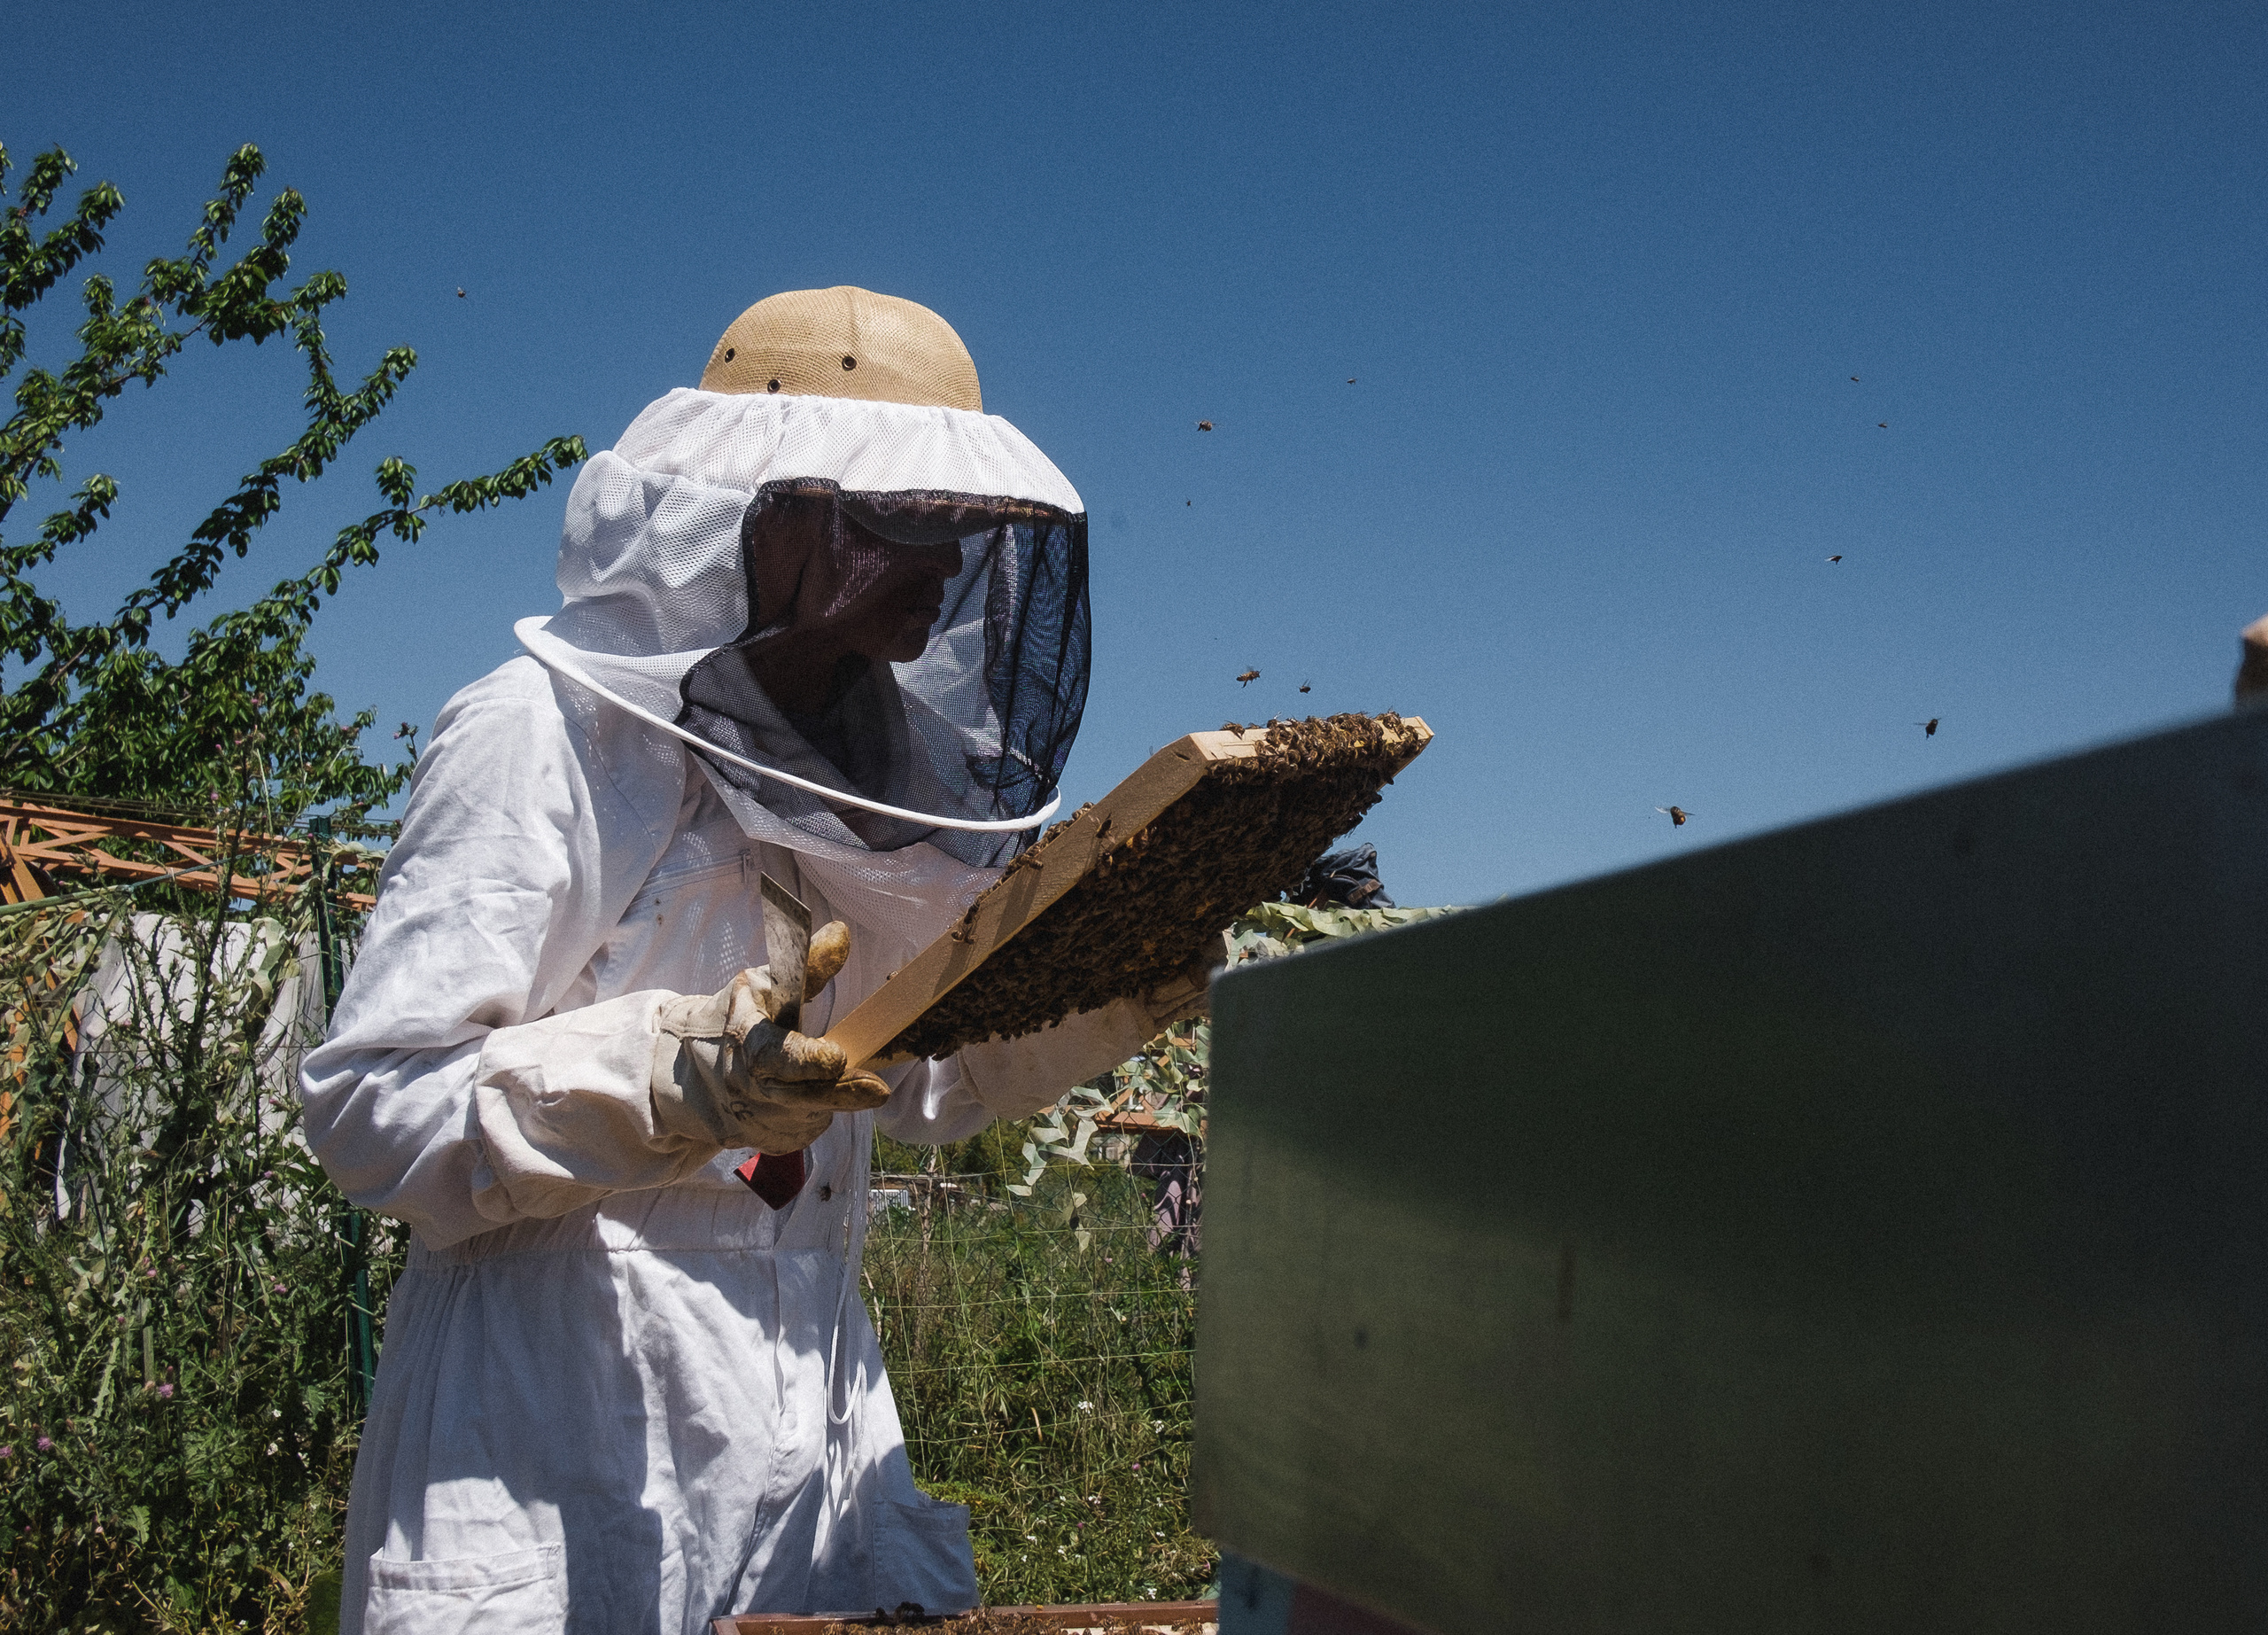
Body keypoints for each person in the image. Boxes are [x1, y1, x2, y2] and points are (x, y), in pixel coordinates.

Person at [300, 288, 1200, 1635]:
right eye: (903, 522)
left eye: (960, 529)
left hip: (817, 1439)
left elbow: (920, 1073)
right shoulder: (536, 743)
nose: (945, 569)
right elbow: (372, 1114)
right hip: (551, 1440)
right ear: (769, 519)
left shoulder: (883, 775)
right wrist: (667, 1079)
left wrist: (1113, 979)